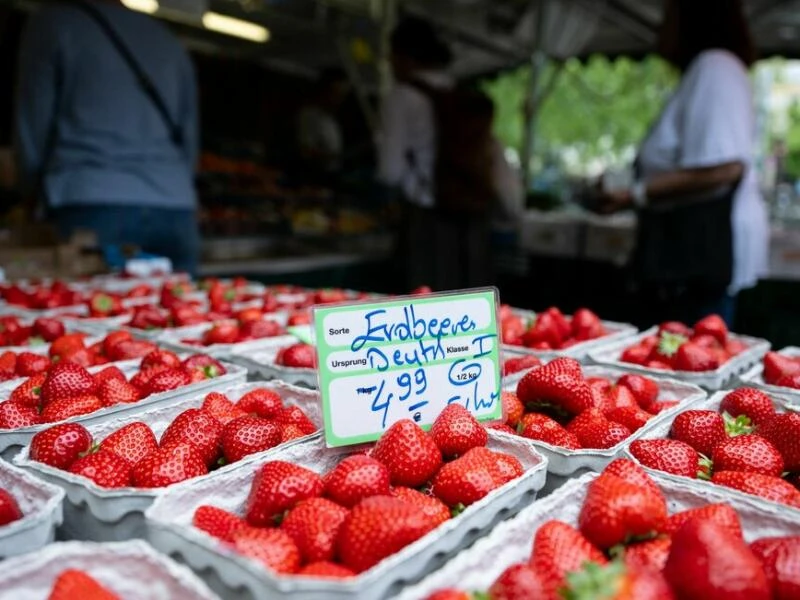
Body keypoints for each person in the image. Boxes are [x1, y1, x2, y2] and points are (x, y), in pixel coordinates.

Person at [600, 0, 768, 327]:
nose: (659, 30)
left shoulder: (715, 67)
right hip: (696, 255)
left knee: (696, 348)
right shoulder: (709, 71)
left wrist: (636, 193)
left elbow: (725, 167)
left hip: (701, 255)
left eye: (668, 17)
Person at [15, 0, 200, 274]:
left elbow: (33, 119)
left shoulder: (55, 23)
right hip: (174, 204)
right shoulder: (165, 37)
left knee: (90, 311)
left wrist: (31, 192)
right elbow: (189, 135)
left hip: (91, 196)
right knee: (184, 309)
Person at [379, 18, 521, 292]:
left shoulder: (402, 97)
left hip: (427, 220)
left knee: (423, 306)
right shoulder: (462, 95)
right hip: (473, 222)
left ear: (402, 55)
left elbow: (390, 171)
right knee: (469, 305)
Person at [296, 67, 349, 175]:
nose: (339, 99)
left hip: (333, 175)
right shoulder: (310, 115)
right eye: (336, 93)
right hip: (314, 176)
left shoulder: (331, 119)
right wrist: (334, 156)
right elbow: (306, 152)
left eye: (342, 95)